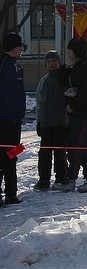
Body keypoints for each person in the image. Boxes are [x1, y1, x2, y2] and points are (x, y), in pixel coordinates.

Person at [62, 37, 87, 193]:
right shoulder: (77, 67)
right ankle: (75, 178)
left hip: (83, 114)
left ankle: (85, 178)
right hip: (77, 113)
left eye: (70, 50)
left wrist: (74, 99)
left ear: (76, 51)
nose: (68, 53)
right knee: (76, 145)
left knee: (80, 146)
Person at [34, 50, 69, 191]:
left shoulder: (65, 79)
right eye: (49, 62)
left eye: (54, 61)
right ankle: (44, 180)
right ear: (46, 64)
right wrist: (39, 122)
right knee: (44, 154)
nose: (52, 64)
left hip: (61, 123)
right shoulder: (43, 81)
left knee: (60, 153)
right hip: (46, 124)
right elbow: (39, 103)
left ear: (59, 62)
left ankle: (61, 178)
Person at [0, 32, 26, 206]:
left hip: (15, 121)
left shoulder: (17, 66)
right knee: (3, 157)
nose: (21, 49)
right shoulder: (4, 65)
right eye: (19, 46)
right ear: (12, 47)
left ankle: (11, 192)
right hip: (4, 121)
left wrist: (19, 114)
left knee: (12, 155)